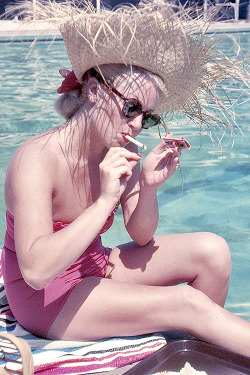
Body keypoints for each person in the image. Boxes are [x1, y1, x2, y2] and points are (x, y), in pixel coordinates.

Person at [2, 0, 250, 358]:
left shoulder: (117, 148)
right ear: (93, 90)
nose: (136, 125)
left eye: (146, 117)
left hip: (94, 268)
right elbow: (36, 270)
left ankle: (200, 357)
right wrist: (105, 201)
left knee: (214, 252)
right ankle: (201, 332)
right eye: (131, 108)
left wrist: (147, 186)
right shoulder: (37, 159)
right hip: (44, 297)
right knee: (186, 303)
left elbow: (141, 234)